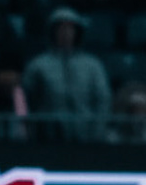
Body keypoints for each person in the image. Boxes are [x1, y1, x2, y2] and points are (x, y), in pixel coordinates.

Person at [21, 8, 112, 140]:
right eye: (61, 28)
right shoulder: (38, 65)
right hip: (48, 136)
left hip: (86, 136)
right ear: (53, 31)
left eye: (70, 28)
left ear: (77, 32)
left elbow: (103, 100)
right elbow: (26, 99)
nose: (66, 33)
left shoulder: (93, 65)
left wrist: (96, 133)